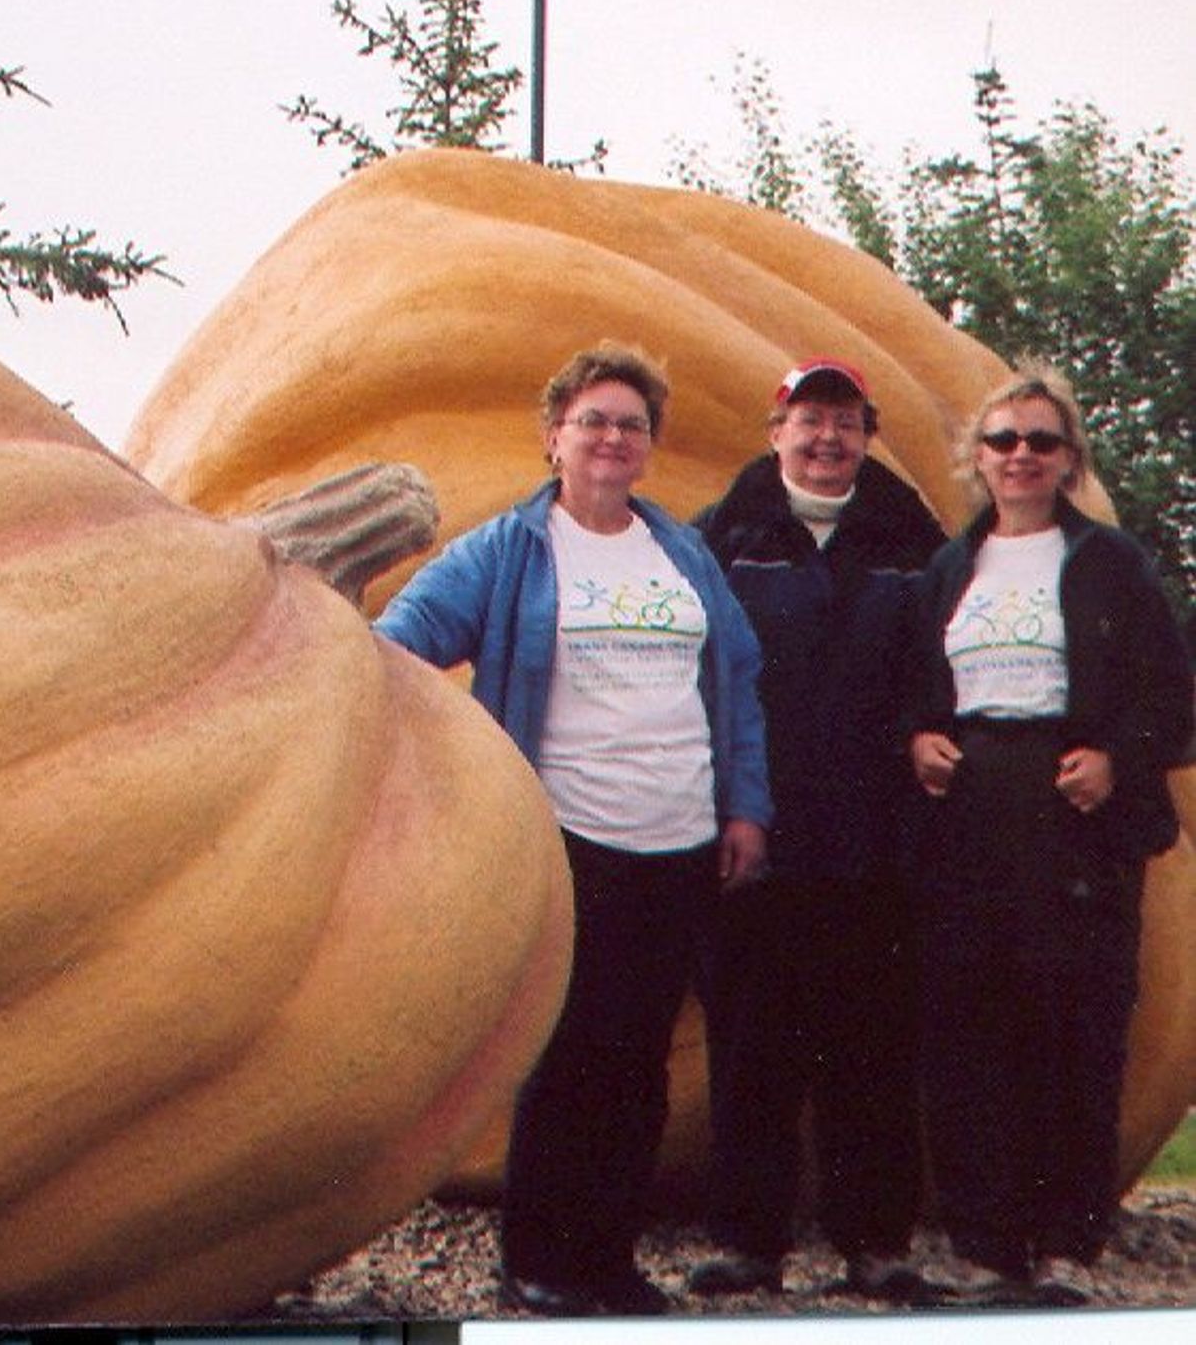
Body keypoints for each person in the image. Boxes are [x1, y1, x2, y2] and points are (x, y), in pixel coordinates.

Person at [372, 340, 771, 1318]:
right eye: (591, 419)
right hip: (567, 836)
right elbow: (399, 648)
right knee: (567, 1056)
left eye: (629, 424)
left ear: (648, 448)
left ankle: (609, 1259)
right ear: (554, 436)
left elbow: (738, 680)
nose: (610, 436)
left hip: (678, 834)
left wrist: (744, 805)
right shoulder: (509, 551)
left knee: (637, 1064)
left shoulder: (679, 550)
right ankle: (539, 1261)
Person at [905, 364, 1193, 1307]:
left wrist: (1116, 755)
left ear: (1068, 459)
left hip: (1074, 806)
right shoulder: (954, 567)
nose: (1020, 454)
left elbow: (1172, 693)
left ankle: (1066, 1245)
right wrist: (921, 740)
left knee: (1074, 1024)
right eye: (1002, 440)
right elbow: (914, 689)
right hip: (973, 806)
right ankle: (990, 1247)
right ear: (977, 459)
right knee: (969, 1022)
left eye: (1040, 440)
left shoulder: (1111, 562)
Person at [688, 360, 947, 1306]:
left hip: (879, 842)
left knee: (874, 1052)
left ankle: (875, 1244)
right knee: (751, 1047)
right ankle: (750, 1244)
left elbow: (941, 670)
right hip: (760, 837)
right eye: (810, 420)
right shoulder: (722, 537)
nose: (827, 438)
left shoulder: (912, 543)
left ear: (867, 435)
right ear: (775, 430)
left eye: (845, 422)